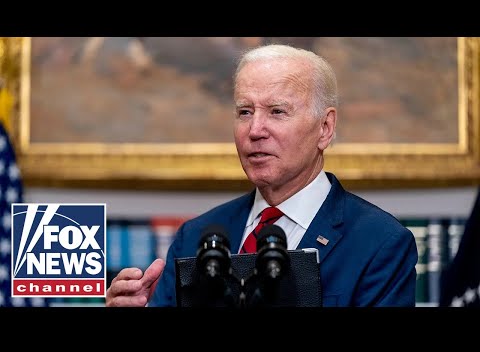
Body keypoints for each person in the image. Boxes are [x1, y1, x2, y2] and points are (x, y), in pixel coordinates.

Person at [106, 44, 418, 307]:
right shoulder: (195, 236)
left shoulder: (380, 242)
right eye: (245, 111)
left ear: (325, 128)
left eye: (277, 111)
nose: (255, 130)